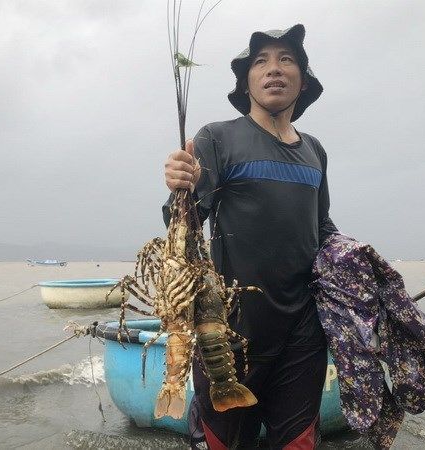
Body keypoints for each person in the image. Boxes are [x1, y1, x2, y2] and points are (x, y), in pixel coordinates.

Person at [163, 24, 339, 449]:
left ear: (303, 81)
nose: (274, 69)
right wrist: (182, 187)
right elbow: (183, 226)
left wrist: (362, 270)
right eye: (261, 62)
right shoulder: (217, 138)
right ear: (246, 82)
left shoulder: (315, 150)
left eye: (286, 60)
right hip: (228, 331)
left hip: (302, 333)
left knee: (298, 443)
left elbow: (322, 229)